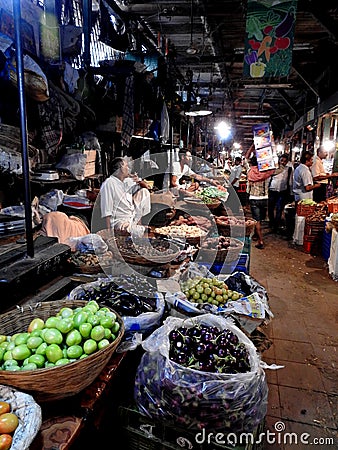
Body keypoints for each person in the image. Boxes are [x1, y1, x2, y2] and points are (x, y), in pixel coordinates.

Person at [100, 157, 151, 237]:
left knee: (144, 192)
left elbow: (146, 187)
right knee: (145, 231)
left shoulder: (126, 181)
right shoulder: (109, 183)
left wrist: (138, 180)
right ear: (121, 169)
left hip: (131, 218)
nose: (128, 169)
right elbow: (107, 211)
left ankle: (138, 225)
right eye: (126, 166)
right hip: (119, 222)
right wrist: (110, 233)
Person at [247, 155, 275, 249]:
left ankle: (260, 240)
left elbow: (246, 158)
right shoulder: (267, 172)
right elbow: (274, 167)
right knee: (261, 219)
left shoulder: (250, 171)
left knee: (257, 220)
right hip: (264, 198)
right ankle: (256, 234)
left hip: (254, 198)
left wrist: (252, 148)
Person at [268, 153, 293, 233]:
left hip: (282, 191)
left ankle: (276, 225)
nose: (283, 162)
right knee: (271, 208)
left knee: (279, 208)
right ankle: (271, 222)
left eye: (285, 161)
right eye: (281, 160)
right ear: (279, 160)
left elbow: (290, 181)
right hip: (272, 190)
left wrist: (290, 193)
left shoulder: (289, 169)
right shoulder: (274, 168)